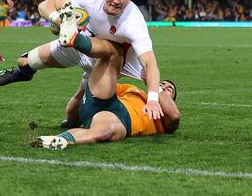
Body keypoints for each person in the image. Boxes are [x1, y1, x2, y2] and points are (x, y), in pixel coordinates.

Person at [0, 0, 165, 126]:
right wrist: (59, 21)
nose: (116, 0)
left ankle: (78, 114)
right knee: (24, 61)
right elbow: (45, 5)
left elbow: (150, 63)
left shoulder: (133, 21)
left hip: (103, 64)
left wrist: (152, 99)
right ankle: (24, 74)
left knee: (72, 117)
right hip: (75, 45)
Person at [32, 38, 179, 149]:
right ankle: (77, 39)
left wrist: (154, 86)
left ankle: (59, 140)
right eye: (162, 84)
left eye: (169, 89)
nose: (163, 87)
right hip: (106, 103)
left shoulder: (166, 120)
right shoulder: (133, 90)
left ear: (173, 100)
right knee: (115, 54)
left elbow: (174, 115)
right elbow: (105, 87)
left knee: (109, 131)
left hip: (116, 120)